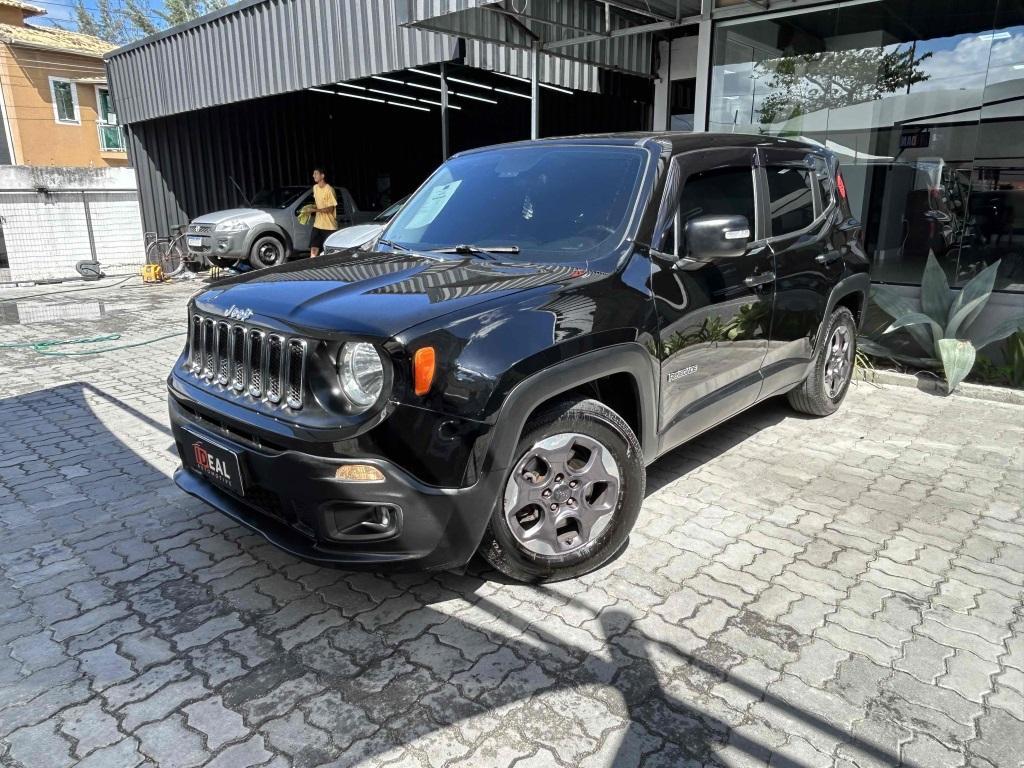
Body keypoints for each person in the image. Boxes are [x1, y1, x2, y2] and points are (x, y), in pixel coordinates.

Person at [309, 167, 338, 257]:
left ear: (322, 176)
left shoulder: (329, 189)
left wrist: (315, 210)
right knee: (314, 248)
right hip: (317, 225)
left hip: (329, 226)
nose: (313, 176)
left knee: (330, 253)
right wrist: (309, 208)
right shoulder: (315, 188)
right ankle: (311, 264)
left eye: (316, 174)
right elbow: (318, 204)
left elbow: (331, 209)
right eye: (313, 174)